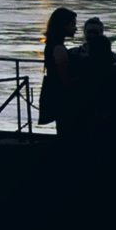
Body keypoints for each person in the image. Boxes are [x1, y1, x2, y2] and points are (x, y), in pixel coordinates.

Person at [38, 7, 79, 139]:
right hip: (62, 99)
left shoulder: (51, 45)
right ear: (63, 25)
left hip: (55, 95)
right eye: (73, 24)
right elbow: (65, 79)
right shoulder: (59, 49)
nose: (75, 28)